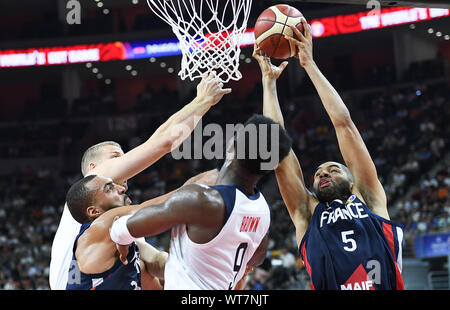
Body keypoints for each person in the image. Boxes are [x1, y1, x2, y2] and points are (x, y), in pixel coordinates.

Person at [253, 18, 404, 290]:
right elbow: (277, 152)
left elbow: (344, 123)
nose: (323, 173)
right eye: (319, 173)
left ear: (351, 177)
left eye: (333, 169)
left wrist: (309, 64)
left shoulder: (368, 199)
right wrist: (268, 83)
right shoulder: (308, 213)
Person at [50, 73, 230, 290]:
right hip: (77, 283)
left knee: (142, 266)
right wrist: (202, 100)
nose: (125, 163)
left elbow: (153, 261)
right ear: (93, 168)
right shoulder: (92, 184)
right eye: (117, 157)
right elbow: (163, 142)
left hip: (96, 280)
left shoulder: (118, 218)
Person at [109, 114, 293, 290]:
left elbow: (121, 229)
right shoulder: (262, 210)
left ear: (232, 145)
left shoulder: (201, 199)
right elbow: (254, 260)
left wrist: (123, 242)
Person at [64, 170, 218, 290]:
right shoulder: (100, 226)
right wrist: (224, 171)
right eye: (109, 189)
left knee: (145, 268)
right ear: (94, 211)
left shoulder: (116, 238)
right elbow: (166, 203)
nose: (122, 188)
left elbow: (156, 260)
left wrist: (189, 271)